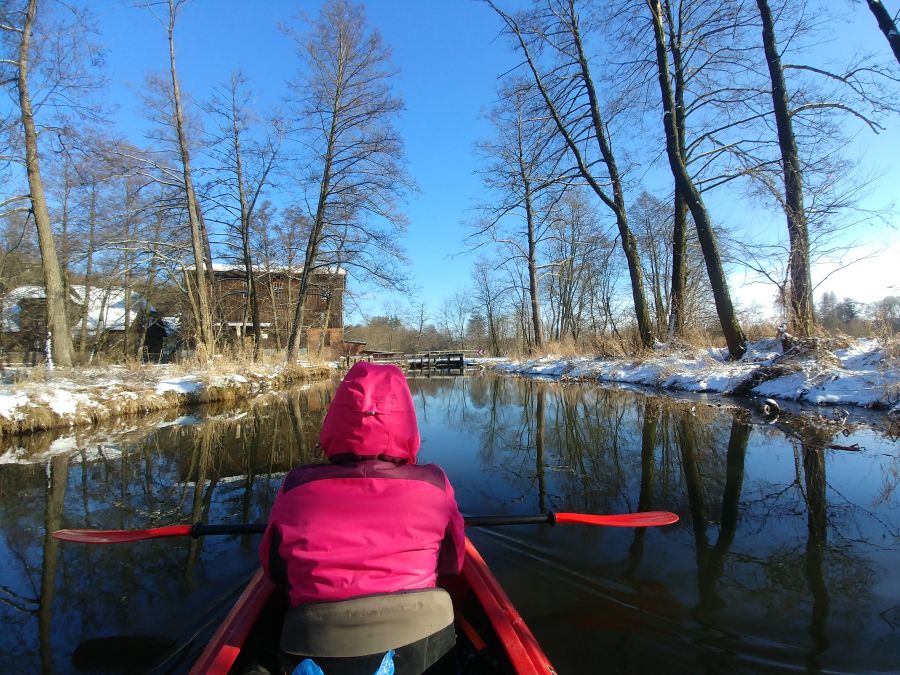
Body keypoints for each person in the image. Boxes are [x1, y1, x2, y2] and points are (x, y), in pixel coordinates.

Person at [260, 362, 465, 675]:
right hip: (421, 647)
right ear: (407, 419)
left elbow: (274, 570)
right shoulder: (434, 484)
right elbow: (453, 565)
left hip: (317, 646)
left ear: (338, 417)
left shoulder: (296, 485)